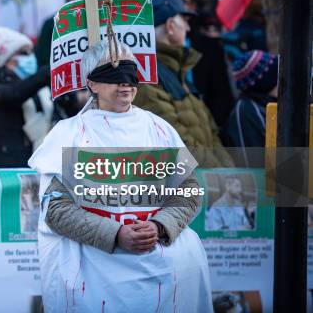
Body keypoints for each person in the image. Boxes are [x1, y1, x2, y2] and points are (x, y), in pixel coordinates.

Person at [28, 40, 212, 312]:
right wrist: (116, 234)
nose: (125, 83)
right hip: (95, 268)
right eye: (113, 74)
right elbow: (56, 210)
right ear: (92, 83)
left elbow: (189, 190)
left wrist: (160, 226)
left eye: (130, 72)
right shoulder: (69, 135)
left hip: (161, 261)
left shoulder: (158, 129)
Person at [134, 0, 232, 168]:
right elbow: (178, 144)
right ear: (170, 25)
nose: (188, 28)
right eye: (185, 20)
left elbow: (212, 134)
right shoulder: (147, 79)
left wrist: (231, 175)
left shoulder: (178, 72)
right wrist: (222, 175)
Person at [162, 0, 236, 129]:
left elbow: (221, 99)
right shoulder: (143, 49)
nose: (172, 6)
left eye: (181, 0)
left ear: (192, 7)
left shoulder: (210, 48)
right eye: (165, 0)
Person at [0, 27, 51, 167]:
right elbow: (13, 95)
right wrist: (46, 74)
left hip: (34, 159)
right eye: (23, 53)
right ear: (7, 57)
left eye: (31, 52)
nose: (30, 57)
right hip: (3, 164)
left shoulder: (34, 85)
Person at [36, 0, 88, 121]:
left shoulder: (101, 23)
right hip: (65, 108)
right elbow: (44, 67)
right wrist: (72, 95)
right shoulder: (52, 25)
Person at [224, 50, 278, 165]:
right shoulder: (246, 111)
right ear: (266, 83)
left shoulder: (270, 104)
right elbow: (254, 164)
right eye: (278, 77)